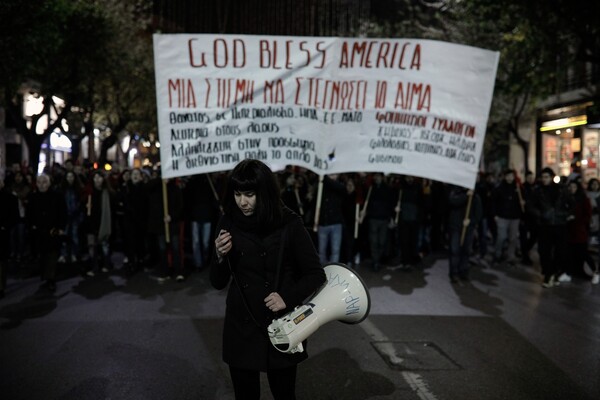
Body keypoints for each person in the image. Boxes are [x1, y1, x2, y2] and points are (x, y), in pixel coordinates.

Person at [210, 159, 326, 400]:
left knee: (284, 395)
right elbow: (217, 282)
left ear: (263, 192)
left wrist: (287, 297)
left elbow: (316, 274)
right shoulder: (228, 221)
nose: (242, 202)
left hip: (282, 323)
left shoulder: (289, 222)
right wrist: (220, 256)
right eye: (238, 193)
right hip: (241, 326)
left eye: (250, 194)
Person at [528, 168, 574, 287]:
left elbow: (572, 203)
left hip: (560, 224)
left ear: (552, 177)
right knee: (544, 251)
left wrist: (567, 215)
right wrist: (541, 214)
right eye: (543, 177)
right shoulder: (538, 191)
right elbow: (531, 205)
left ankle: (553, 272)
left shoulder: (561, 190)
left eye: (547, 177)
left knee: (560, 251)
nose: (545, 180)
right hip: (545, 225)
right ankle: (548, 274)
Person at [26, 174, 67, 292]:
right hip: (39, 231)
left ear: (49, 183)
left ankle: (51, 279)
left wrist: (60, 228)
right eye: (39, 182)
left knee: (52, 255)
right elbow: (29, 214)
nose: (42, 185)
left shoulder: (57, 196)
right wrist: (31, 227)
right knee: (42, 255)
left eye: (44, 182)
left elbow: (63, 212)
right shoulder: (33, 197)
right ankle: (45, 277)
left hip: (52, 230)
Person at [447, 186, 482, 283]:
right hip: (456, 227)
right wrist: (466, 196)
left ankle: (463, 272)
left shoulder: (475, 197)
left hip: (468, 228)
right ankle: (454, 273)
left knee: (466, 251)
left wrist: (470, 222)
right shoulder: (455, 192)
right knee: (455, 250)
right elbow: (453, 202)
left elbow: (478, 214)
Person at [492, 169, 523, 265]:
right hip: (502, 216)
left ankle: (511, 256)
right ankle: (497, 254)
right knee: (501, 237)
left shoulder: (518, 188)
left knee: (513, 238)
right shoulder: (499, 188)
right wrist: (495, 215)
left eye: (511, 176)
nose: (510, 178)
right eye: (508, 176)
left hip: (514, 217)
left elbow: (523, 200)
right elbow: (494, 202)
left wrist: (522, 203)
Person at [0, 178, 19, 297]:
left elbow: (14, 216)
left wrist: (5, 226)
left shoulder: (9, 197)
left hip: (2, 232)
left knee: (2, 261)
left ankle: (1, 286)